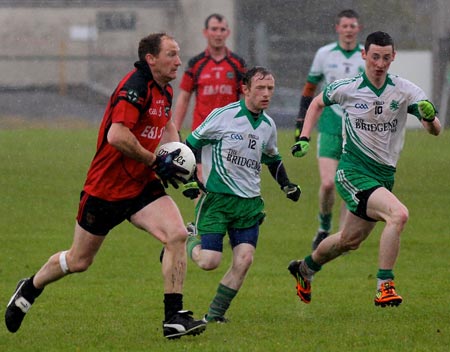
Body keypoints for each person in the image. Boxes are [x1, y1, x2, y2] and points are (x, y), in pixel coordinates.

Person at [5, 33, 207, 339]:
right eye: (171, 54)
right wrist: (154, 161)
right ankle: (31, 286)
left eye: (178, 54)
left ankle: (174, 318)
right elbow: (117, 135)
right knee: (79, 260)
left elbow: (167, 126)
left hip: (141, 186)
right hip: (106, 188)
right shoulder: (135, 87)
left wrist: (183, 161)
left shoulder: (164, 92)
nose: (179, 61)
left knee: (177, 234)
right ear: (151, 58)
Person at [289, 31, 441, 307]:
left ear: (393, 57)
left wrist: (430, 118)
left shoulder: (405, 90)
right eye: (374, 57)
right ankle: (385, 286)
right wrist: (304, 137)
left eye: (385, 57)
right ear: (364, 56)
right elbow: (317, 102)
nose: (380, 63)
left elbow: (435, 130)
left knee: (349, 240)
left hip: (383, 176)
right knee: (398, 215)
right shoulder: (348, 87)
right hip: (353, 172)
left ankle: (304, 269)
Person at [184, 66, 301, 322]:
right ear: (245, 89)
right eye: (260, 88)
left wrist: (286, 184)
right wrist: (192, 180)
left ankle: (214, 315)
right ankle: (190, 237)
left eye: (270, 88)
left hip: (249, 205)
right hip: (217, 200)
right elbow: (189, 145)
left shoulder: (268, 125)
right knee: (209, 261)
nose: (266, 93)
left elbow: (272, 158)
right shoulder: (223, 116)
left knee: (244, 260)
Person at [294, 9, 365, 250]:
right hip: (329, 127)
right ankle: (324, 226)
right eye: (344, 26)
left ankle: (344, 236)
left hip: (356, 131)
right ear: (338, 28)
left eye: (352, 25)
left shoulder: (366, 55)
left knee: (349, 183)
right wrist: (300, 122)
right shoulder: (324, 54)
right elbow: (309, 89)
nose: (348, 29)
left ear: (358, 28)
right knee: (327, 183)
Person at [173, 13, 246, 191]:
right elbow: (184, 97)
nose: (218, 34)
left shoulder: (237, 63)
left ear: (228, 33)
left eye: (222, 29)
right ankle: (201, 220)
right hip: (202, 133)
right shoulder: (196, 63)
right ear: (205, 32)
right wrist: (175, 130)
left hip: (230, 135)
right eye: (214, 29)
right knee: (200, 180)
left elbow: (246, 98)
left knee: (227, 184)